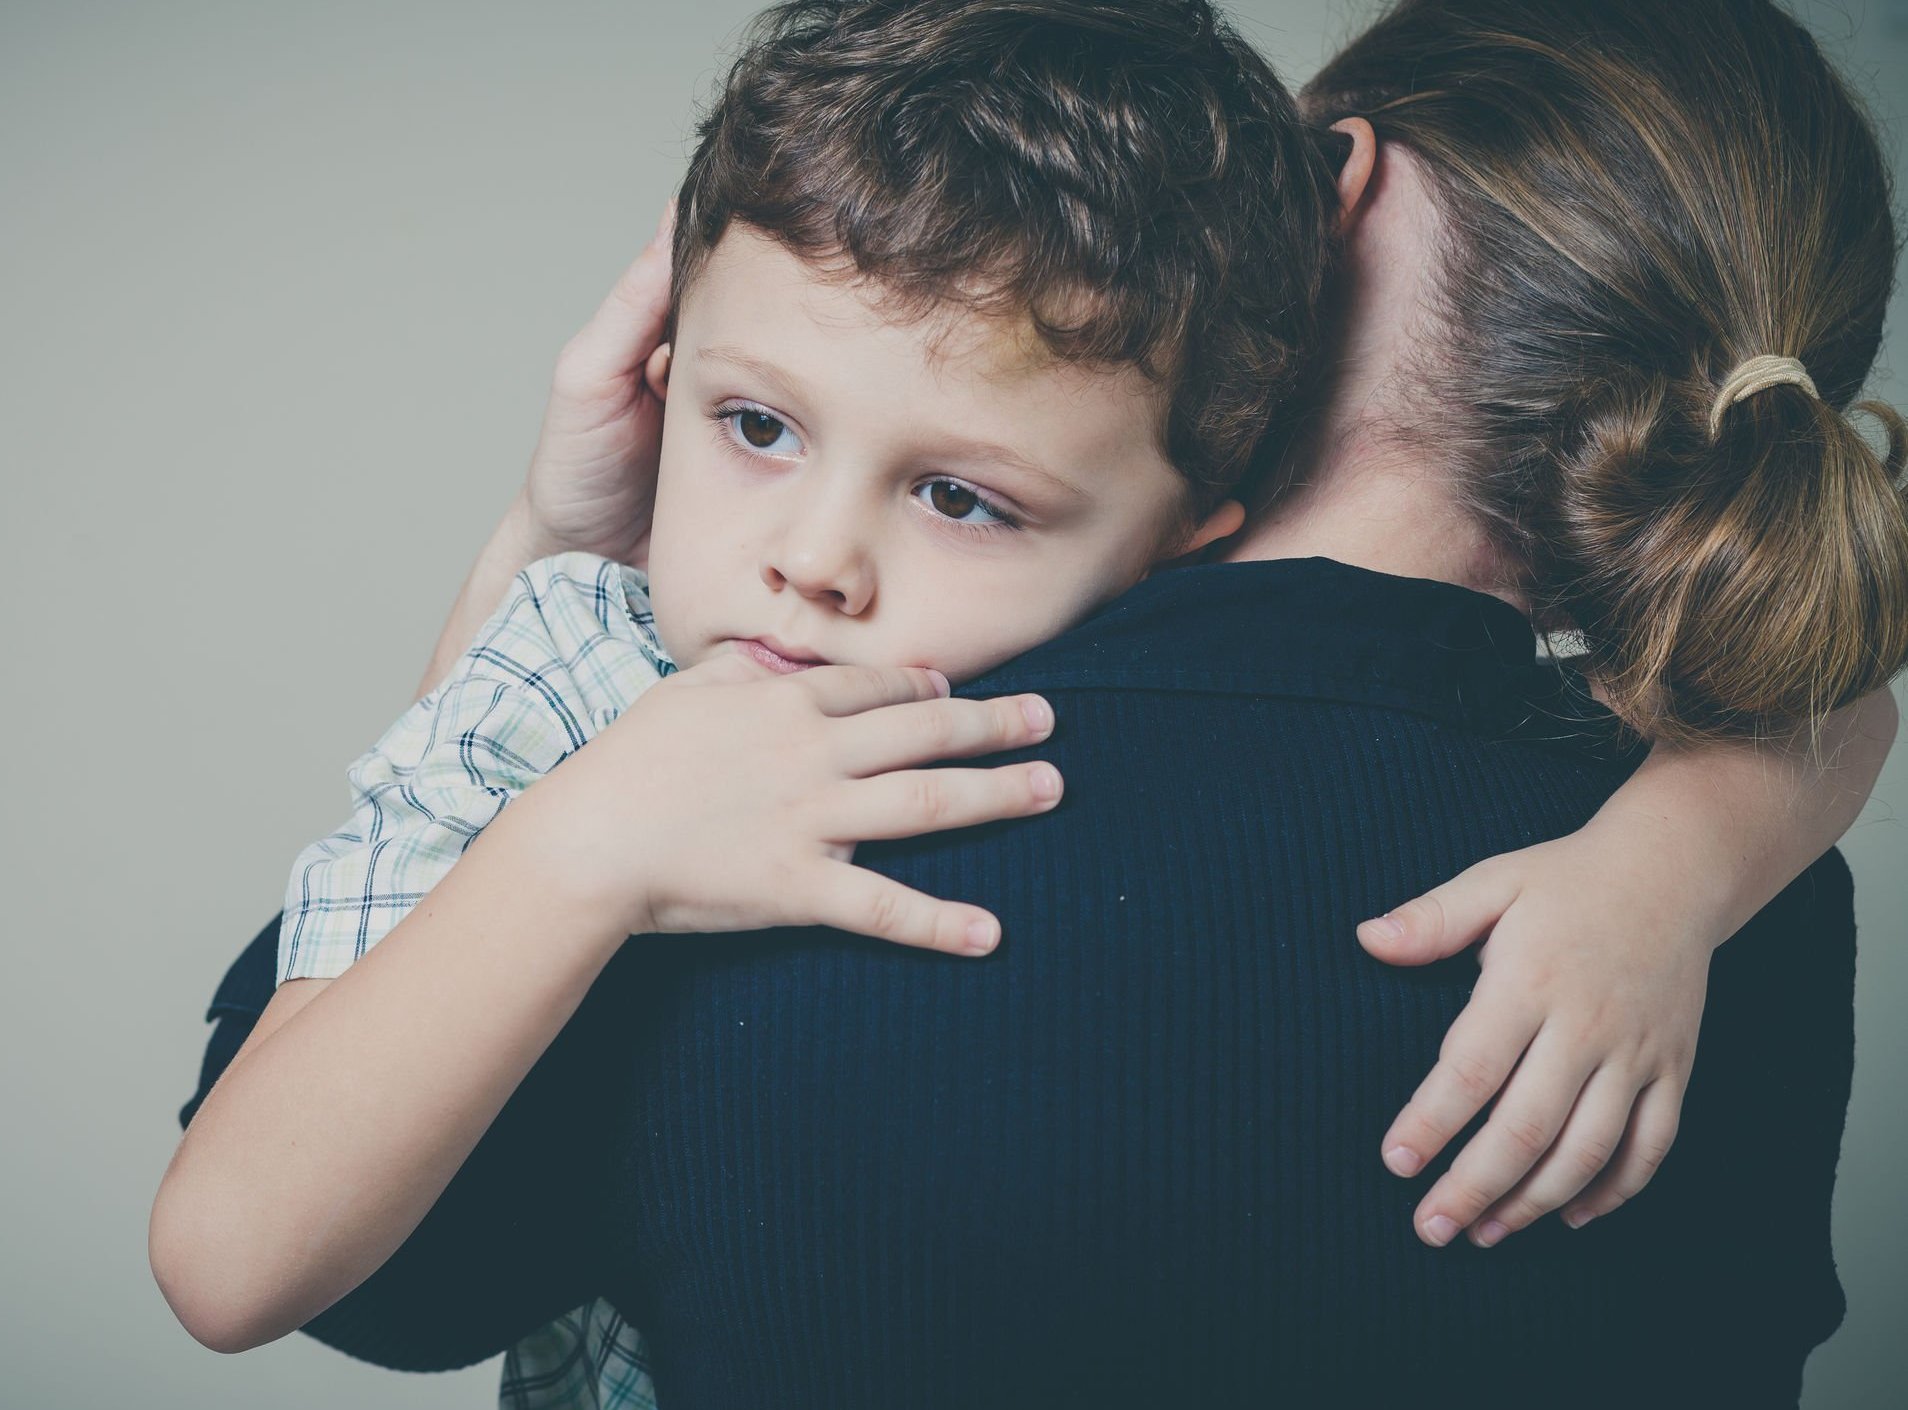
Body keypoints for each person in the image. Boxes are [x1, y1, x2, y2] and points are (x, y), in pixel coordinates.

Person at [157, 0, 1904, 1402]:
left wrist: (551, 641)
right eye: (757, 425)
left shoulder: (782, 795)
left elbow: (342, 1275)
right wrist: (1688, 847)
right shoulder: (1732, 891)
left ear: (1334, 185)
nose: (815, 568)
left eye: (964, 494)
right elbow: (1834, 703)